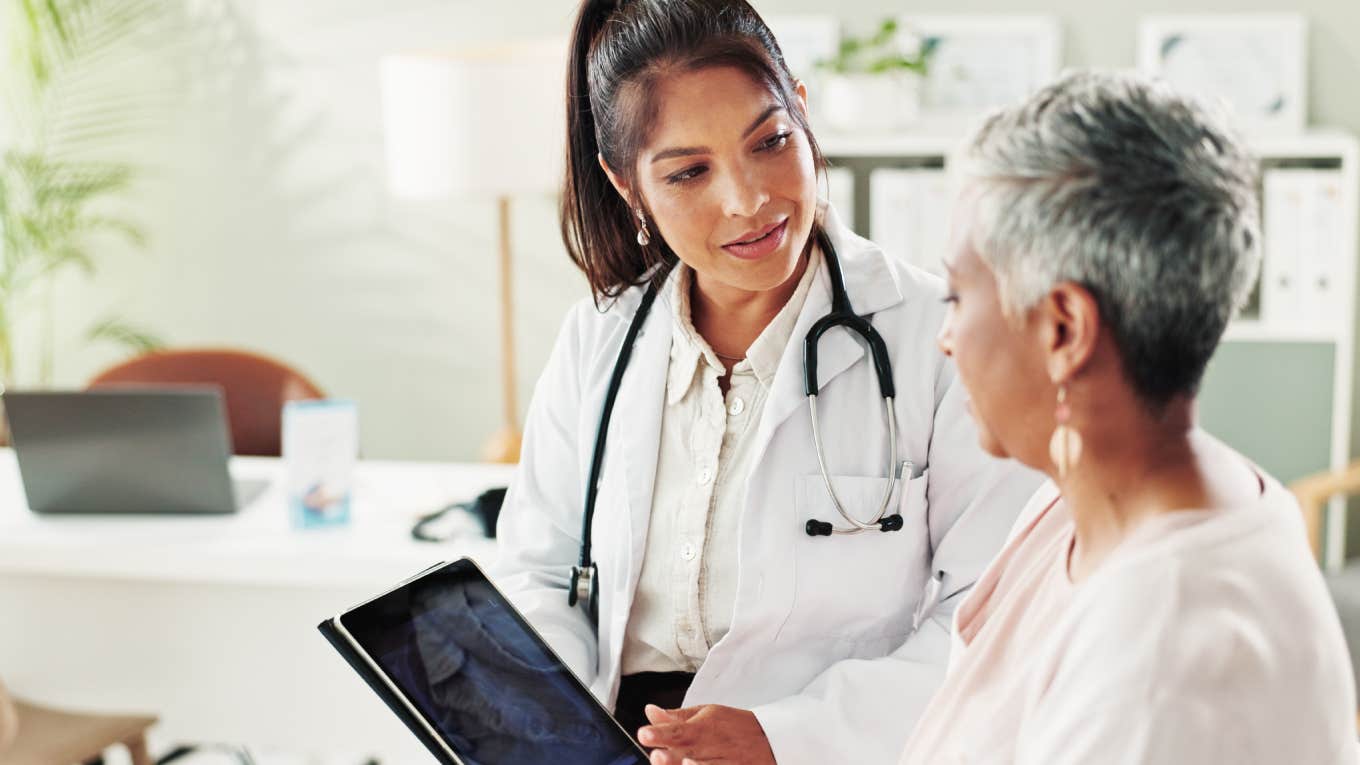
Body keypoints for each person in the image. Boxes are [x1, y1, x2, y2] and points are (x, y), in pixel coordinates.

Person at [492, 0, 1040, 762]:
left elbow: (996, 609)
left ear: (803, 115)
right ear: (627, 186)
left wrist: (788, 736)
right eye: (689, 172)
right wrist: (559, 725)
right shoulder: (601, 338)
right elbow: (539, 570)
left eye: (771, 141)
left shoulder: (933, 337)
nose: (748, 199)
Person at [900, 70, 1357, 764]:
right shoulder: (1082, 496)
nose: (946, 335)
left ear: (1063, 329)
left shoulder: (1163, 673)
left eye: (959, 295)